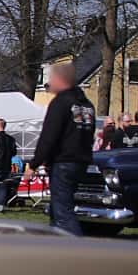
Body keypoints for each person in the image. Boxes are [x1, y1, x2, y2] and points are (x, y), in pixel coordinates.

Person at [32, 60, 97, 236]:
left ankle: (76, 250)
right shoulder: (87, 105)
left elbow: (49, 136)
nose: (49, 83)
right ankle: (56, 248)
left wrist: (34, 164)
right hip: (81, 161)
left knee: (63, 211)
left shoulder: (61, 103)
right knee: (57, 208)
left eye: (51, 78)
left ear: (61, 80)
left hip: (64, 162)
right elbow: (88, 134)